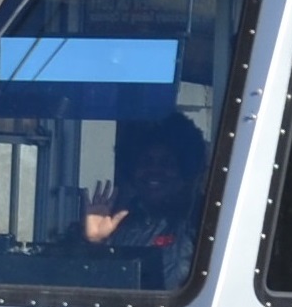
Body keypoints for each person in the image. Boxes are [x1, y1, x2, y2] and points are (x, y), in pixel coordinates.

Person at [78, 116, 210, 286]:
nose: (154, 170)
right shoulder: (118, 222)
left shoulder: (203, 220)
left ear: (186, 168)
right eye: (145, 162)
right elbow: (94, 286)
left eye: (166, 163)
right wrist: (95, 242)